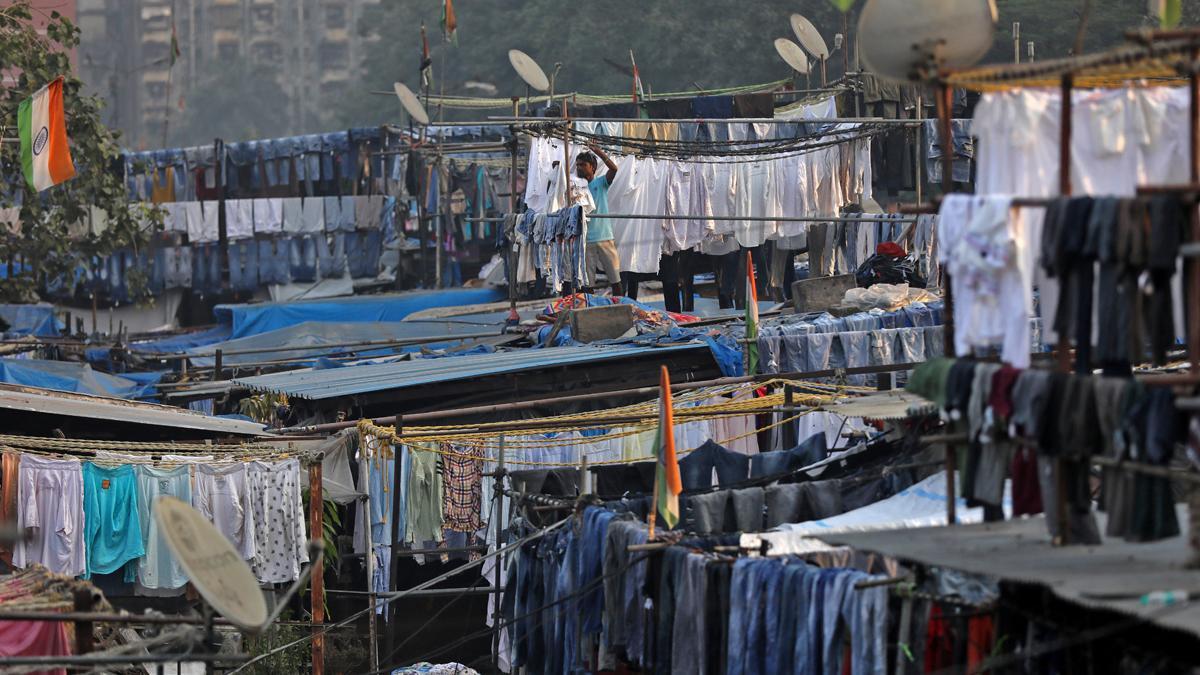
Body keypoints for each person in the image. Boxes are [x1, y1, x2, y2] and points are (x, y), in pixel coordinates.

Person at [575, 144, 623, 296]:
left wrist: (598, 152)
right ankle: (590, 310)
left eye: (583, 165)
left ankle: (621, 306)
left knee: (615, 278)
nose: (579, 168)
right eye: (577, 165)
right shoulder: (576, 188)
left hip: (604, 237)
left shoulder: (601, 183)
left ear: (593, 168)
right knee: (587, 282)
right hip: (586, 240)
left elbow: (614, 169)